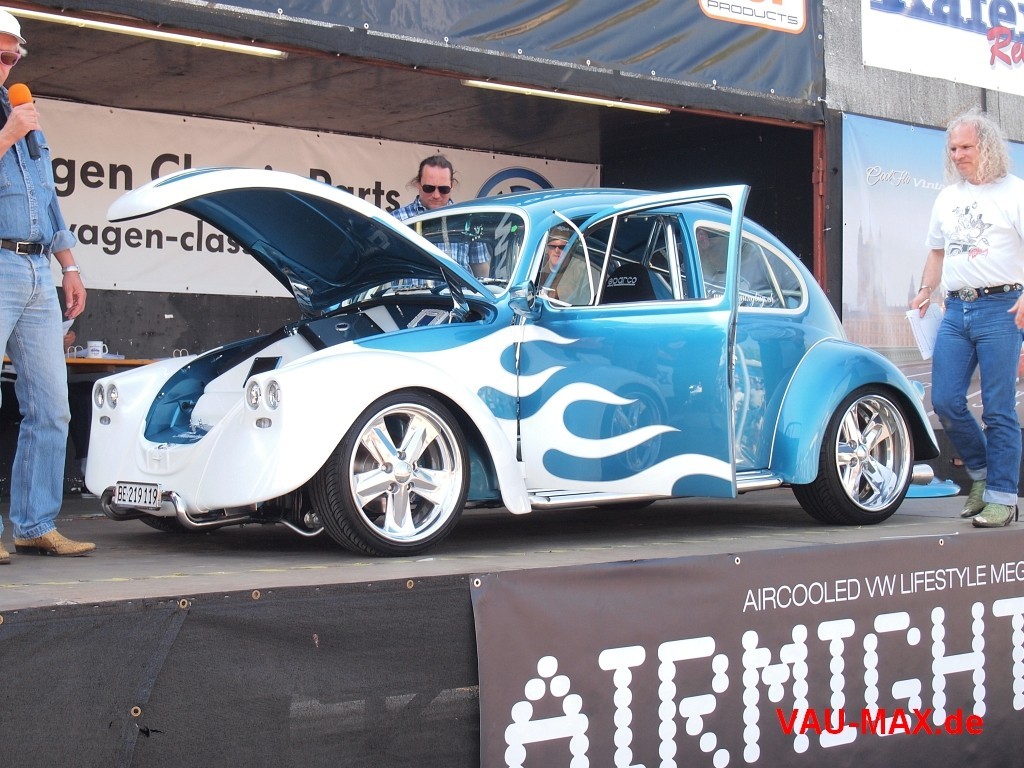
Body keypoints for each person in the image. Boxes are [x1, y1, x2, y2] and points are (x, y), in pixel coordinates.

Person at [0, 9, 94, 561]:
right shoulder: (15, 122)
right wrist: (7, 134)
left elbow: (46, 196)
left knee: (52, 406)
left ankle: (34, 524)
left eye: (13, 56)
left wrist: (70, 266)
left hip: (37, 267)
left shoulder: (24, 113)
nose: (7, 64)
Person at [911, 108, 1024, 529]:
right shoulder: (947, 197)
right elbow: (937, 251)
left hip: (1002, 306)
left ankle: (1002, 497)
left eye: (965, 147)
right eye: (953, 148)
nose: (957, 155)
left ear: (987, 147)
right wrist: (925, 290)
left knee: (998, 408)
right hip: (956, 308)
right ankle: (981, 473)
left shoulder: (1015, 192)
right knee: (945, 401)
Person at [392, 154, 490, 277]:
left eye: (443, 189)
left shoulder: (467, 220)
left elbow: (481, 273)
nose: (436, 195)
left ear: (452, 185)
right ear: (418, 184)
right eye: (429, 188)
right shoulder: (397, 220)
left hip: (456, 291)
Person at [538, 224, 595, 305]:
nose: (557, 250)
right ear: (547, 249)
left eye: (562, 247)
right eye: (553, 246)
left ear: (570, 250)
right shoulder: (537, 271)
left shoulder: (580, 270)